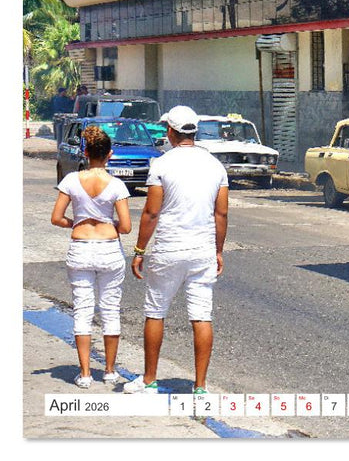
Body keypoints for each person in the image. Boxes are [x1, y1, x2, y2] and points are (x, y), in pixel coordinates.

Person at [124, 105, 229, 395]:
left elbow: (151, 213)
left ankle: (149, 380)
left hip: (169, 248)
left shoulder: (162, 164)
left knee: (156, 312)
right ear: (194, 131)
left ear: (171, 131)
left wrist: (139, 250)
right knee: (201, 316)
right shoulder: (215, 166)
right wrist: (218, 251)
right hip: (202, 250)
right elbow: (221, 214)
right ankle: (199, 386)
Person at [51, 125, 132, 388]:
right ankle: (109, 371)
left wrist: (75, 222)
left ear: (85, 152)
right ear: (109, 154)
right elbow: (127, 226)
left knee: (82, 310)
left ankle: (85, 374)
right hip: (109, 248)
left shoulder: (72, 181)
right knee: (110, 310)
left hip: (81, 248)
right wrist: (109, 223)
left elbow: (56, 218)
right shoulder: (117, 184)